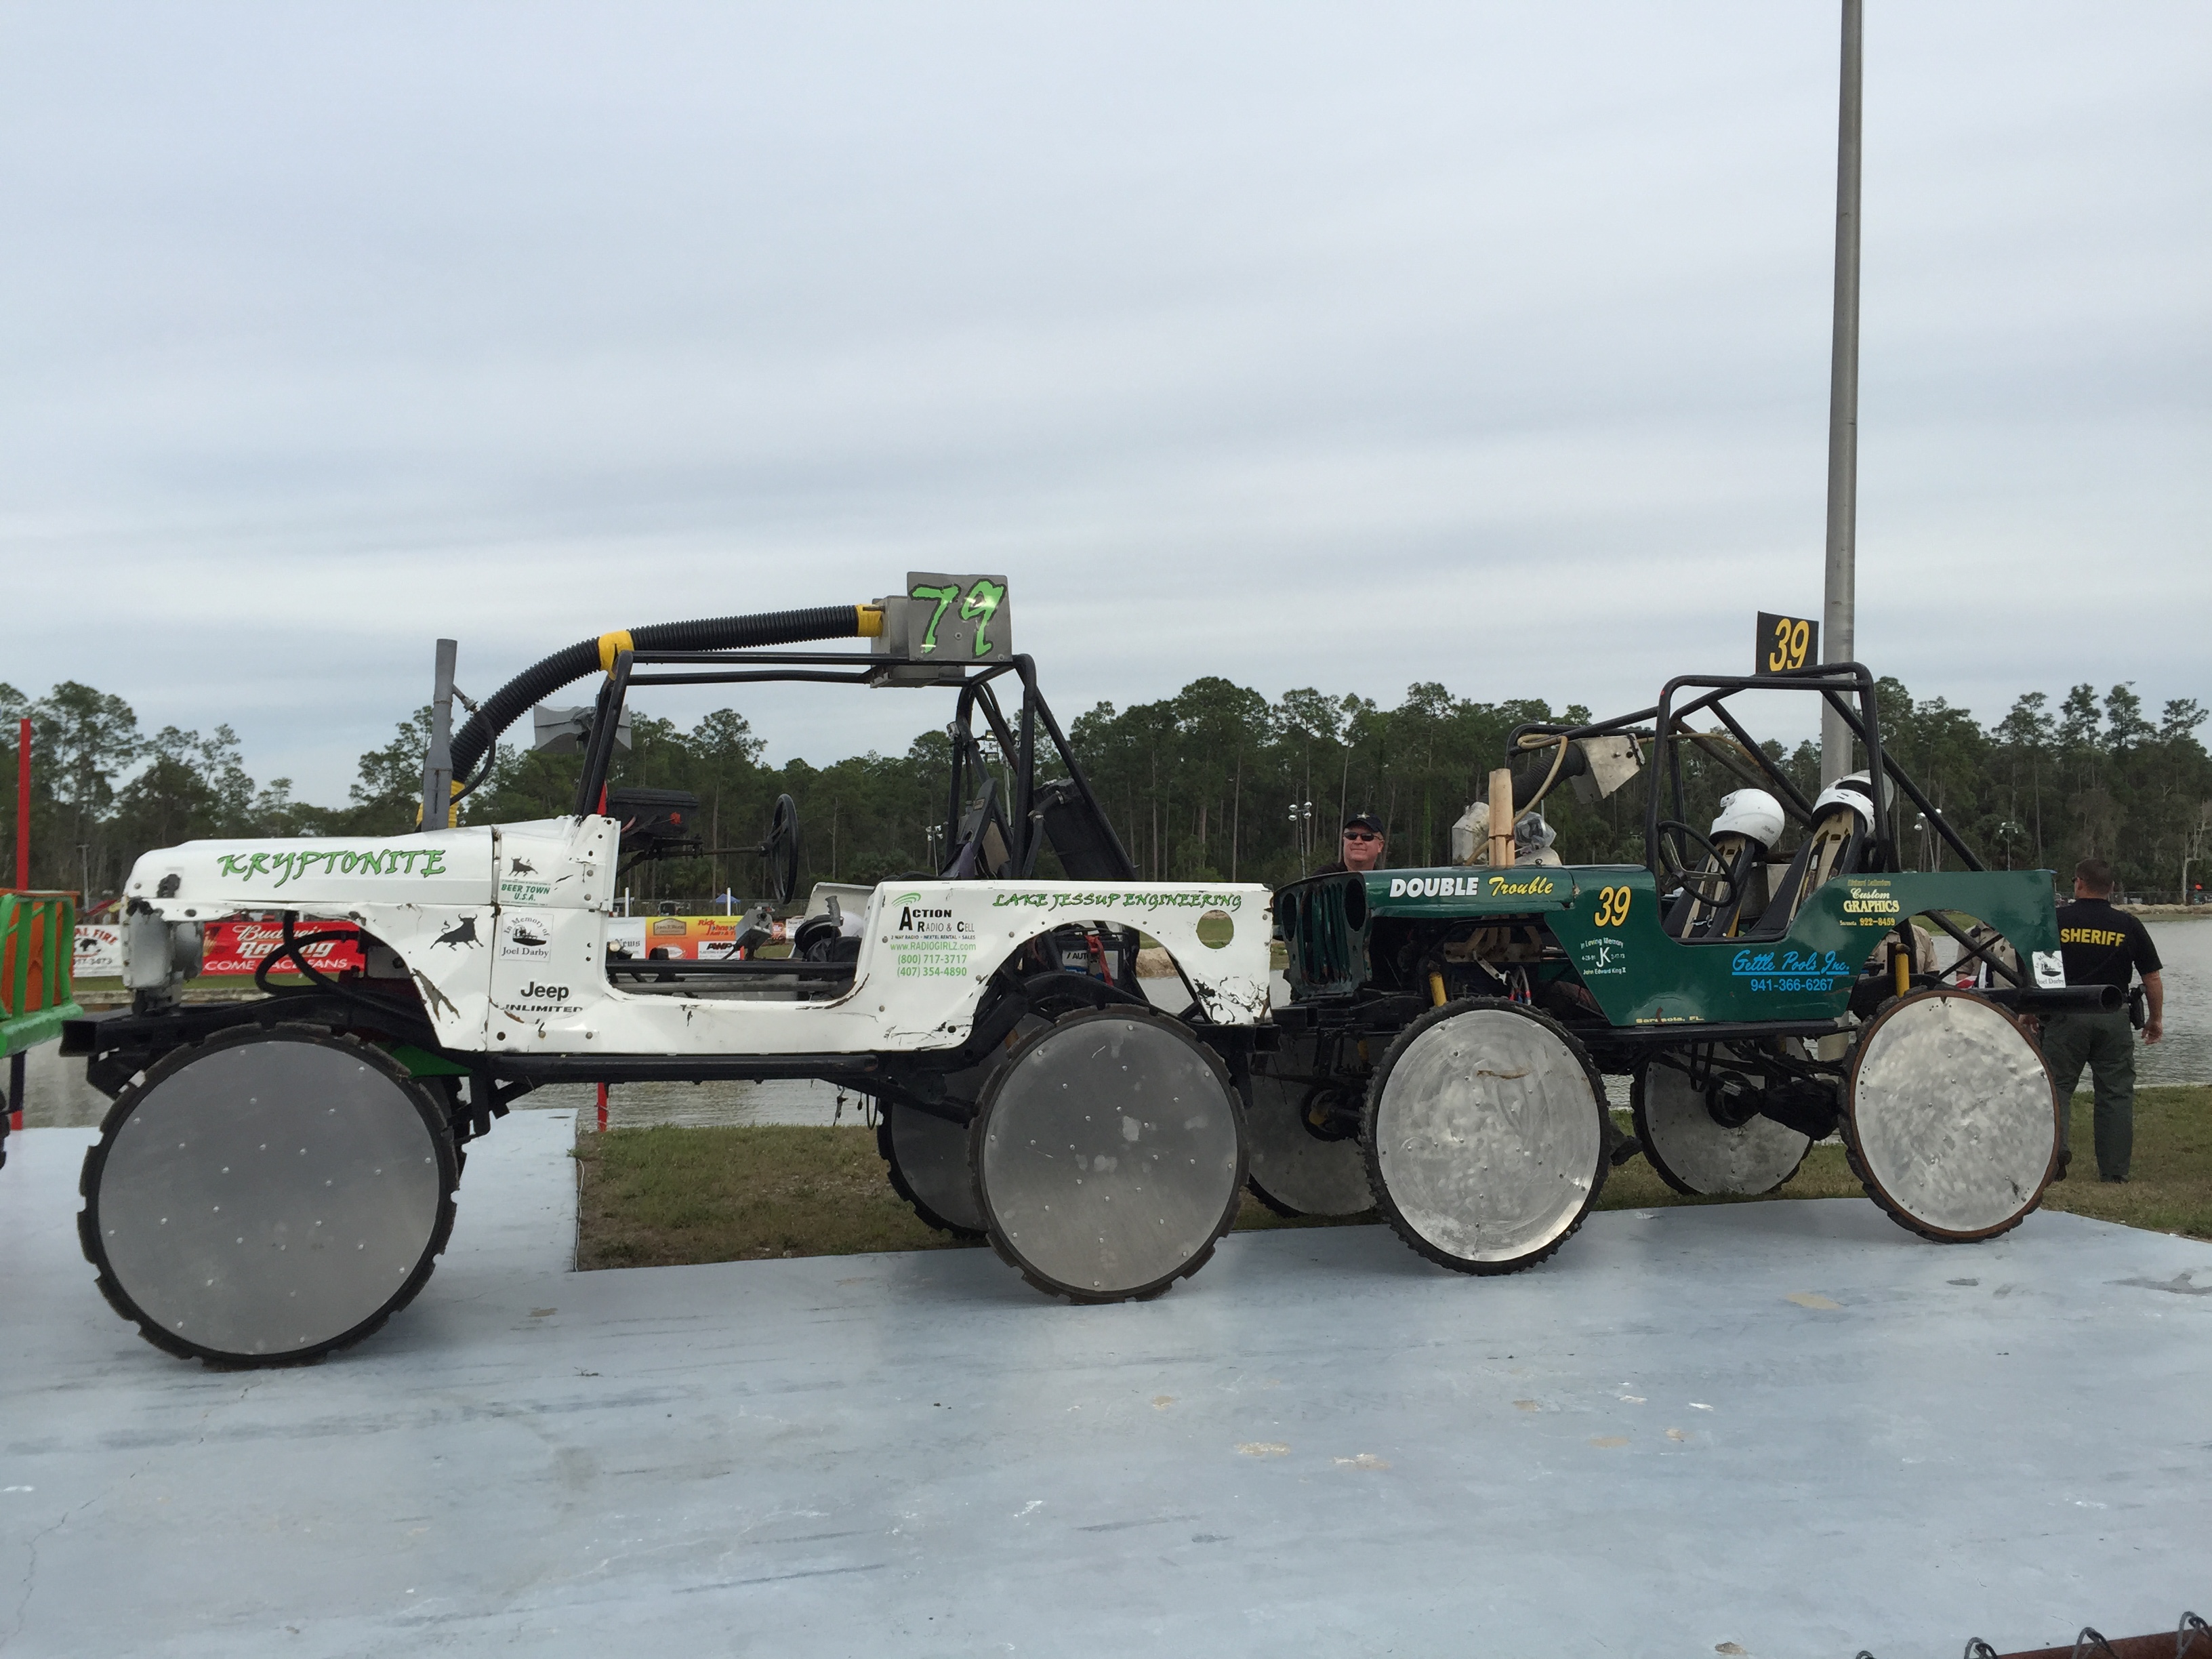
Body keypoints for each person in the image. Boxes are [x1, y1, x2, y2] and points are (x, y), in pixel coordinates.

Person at [2040, 857, 2164, 1183]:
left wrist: (2029, 1011)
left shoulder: (2056, 920)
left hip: (2066, 1014)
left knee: (2057, 1087)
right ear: (2111, 888)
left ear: (2078, 883)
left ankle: (2054, 1162)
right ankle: (2114, 1173)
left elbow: (2042, 972)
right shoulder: (2129, 925)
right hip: (2113, 1014)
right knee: (2116, 1094)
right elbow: (2151, 977)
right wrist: (2155, 1019)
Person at [1311, 811, 1386, 876]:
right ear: (1344, 840)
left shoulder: (1386, 882)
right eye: (1352, 836)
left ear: (1380, 845)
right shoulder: (1324, 877)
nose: (1358, 841)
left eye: (1367, 837)